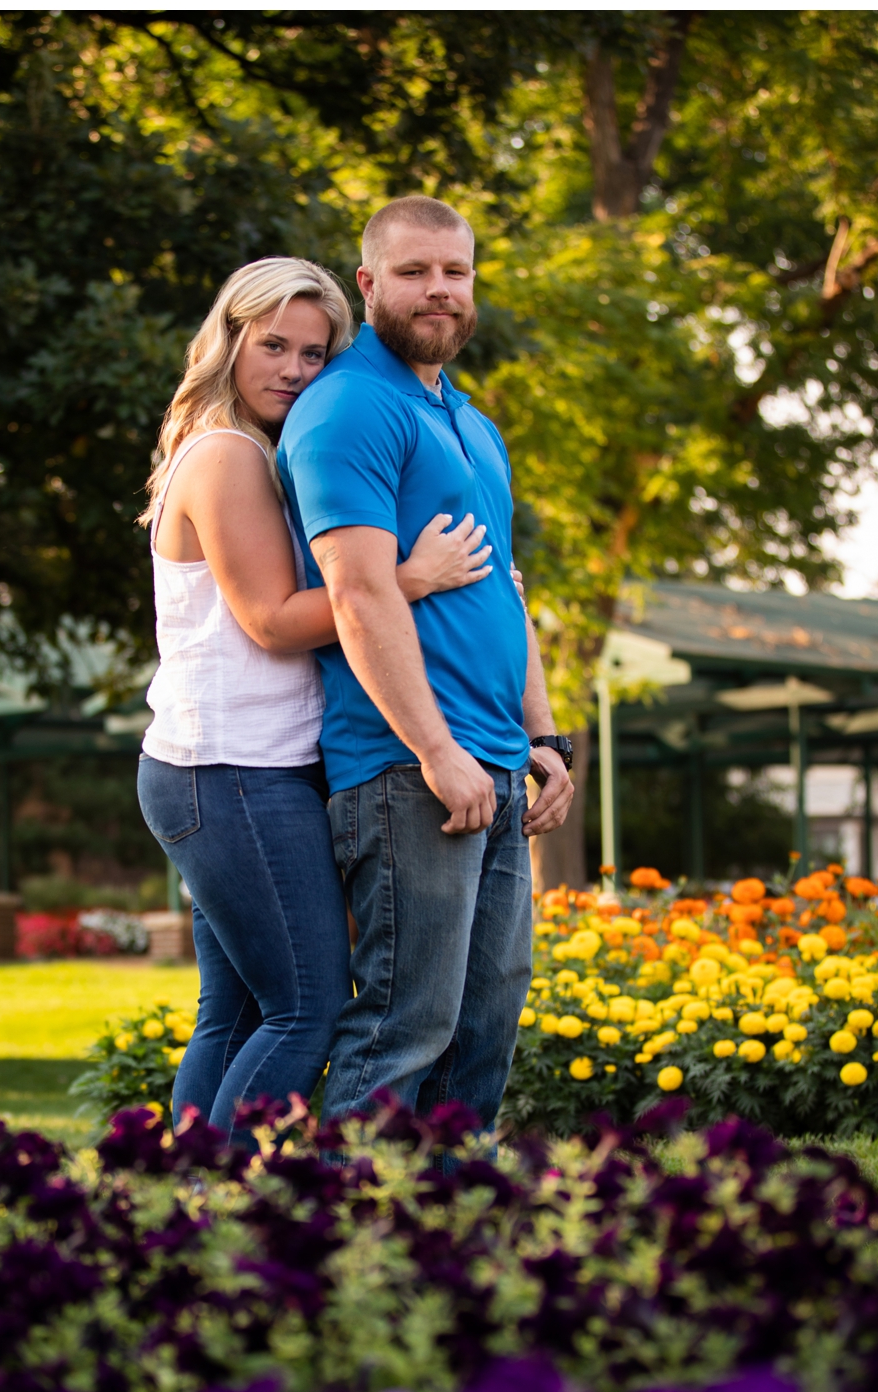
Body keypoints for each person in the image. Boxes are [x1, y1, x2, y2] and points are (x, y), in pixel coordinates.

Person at [137, 257, 496, 1131]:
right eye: (273, 346)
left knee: (239, 1014)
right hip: (228, 772)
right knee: (307, 1004)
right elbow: (268, 621)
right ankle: (226, 1202)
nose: (295, 370)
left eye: (313, 352)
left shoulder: (253, 453)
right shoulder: (225, 456)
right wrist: (406, 579)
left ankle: (173, 1208)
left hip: (242, 770)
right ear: (228, 342)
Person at [277, 196, 575, 1125]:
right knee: (405, 1026)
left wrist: (544, 735)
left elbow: (505, 594)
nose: (438, 290)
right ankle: (336, 1236)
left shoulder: (473, 425)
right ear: (368, 285)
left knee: (485, 1023)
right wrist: (438, 752)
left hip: (492, 761)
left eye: (455, 271)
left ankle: (449, 1238)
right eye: (413, 273)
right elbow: (361, 595)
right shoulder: (347, 408)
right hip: (407, 767)